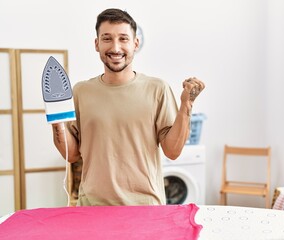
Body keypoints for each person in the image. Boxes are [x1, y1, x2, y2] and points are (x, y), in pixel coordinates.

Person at [51, 8, 205, 206]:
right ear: (97, 44)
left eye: (123, 39)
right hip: (92, 206)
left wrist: (186, 105)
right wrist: (55, 119)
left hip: (146, 206)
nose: (115, 47)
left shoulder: (157, 89)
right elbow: (71, 155)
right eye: (107, 38)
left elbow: (172, 151)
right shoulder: (81, 92)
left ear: (135, 44)